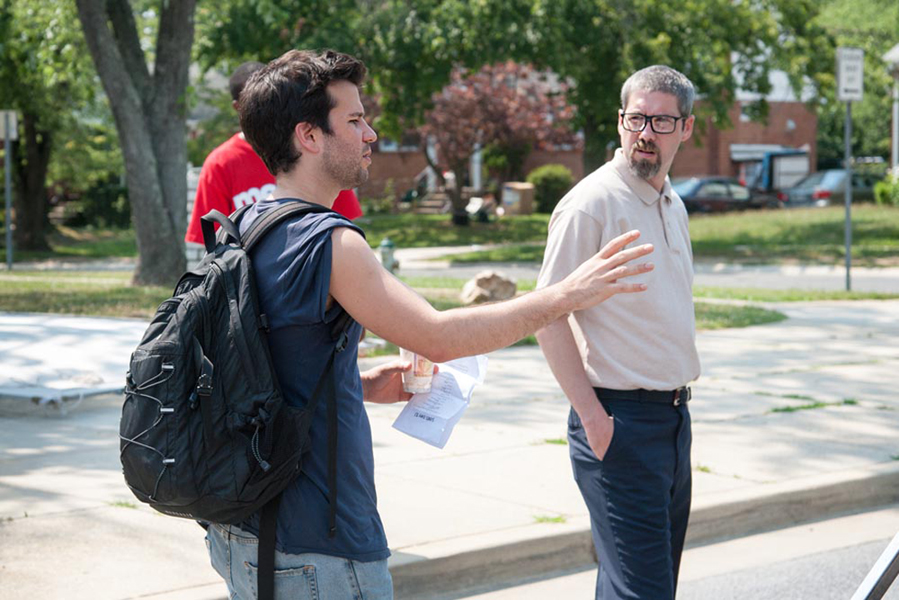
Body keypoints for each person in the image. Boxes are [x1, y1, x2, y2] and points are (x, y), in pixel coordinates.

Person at [203, 48, 656, 600]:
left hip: (244, 532)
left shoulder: (246, 224)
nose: (370, 134)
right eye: (355, 120)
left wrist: (363, 385)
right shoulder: (330, 242)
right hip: (318, 551)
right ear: (309, 137)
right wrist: (565, 295)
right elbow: (437, 336)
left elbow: (265, 365)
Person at [535, 65, 700, 600]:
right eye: (636, 118)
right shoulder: (593, 202)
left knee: (639, 587)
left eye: (661, 121)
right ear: (621, 120)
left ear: (687, 129)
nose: (646, 132)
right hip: (618, 423)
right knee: (642, 592)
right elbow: (546, 312)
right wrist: (592, 418)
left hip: (672, 422)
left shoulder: (671, 202)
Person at [184, 61, 362, 246]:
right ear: (239, 108)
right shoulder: (220, 162)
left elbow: (347, 227)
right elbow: (213, 245)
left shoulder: (313, 147)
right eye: (258, 103)